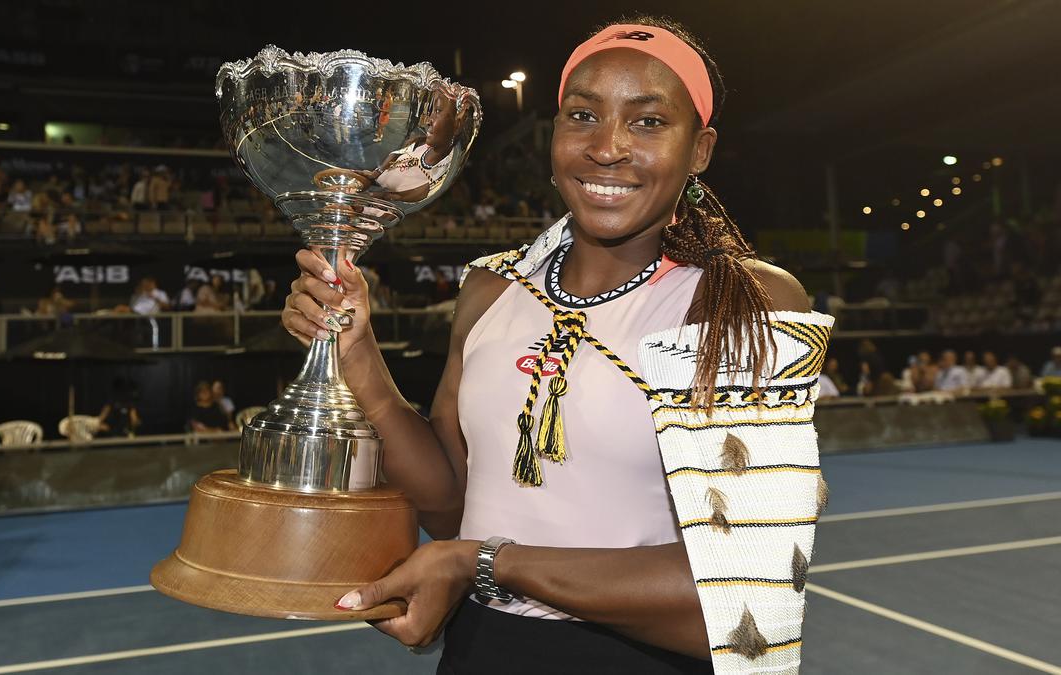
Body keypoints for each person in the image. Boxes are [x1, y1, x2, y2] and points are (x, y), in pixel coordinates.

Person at [282, 16, 832, 673]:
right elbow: (455, 504)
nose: (608, 147)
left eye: (649, 121)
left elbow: (745, 604)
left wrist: (485, 562)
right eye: (583, 115)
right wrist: (362, 365)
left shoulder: (740, 302)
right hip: (481, 650)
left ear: (701, 148)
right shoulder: (492, 286)